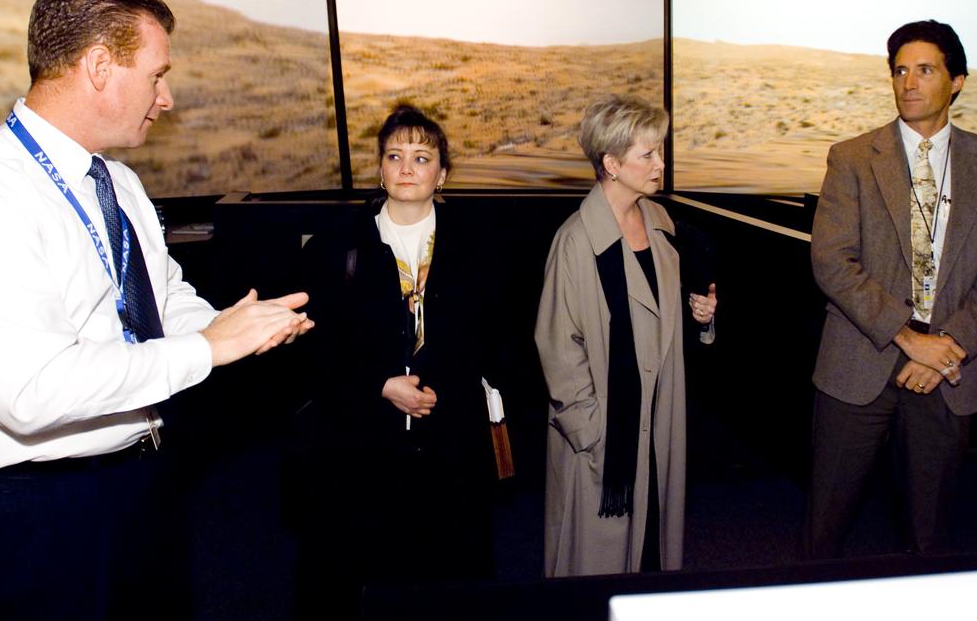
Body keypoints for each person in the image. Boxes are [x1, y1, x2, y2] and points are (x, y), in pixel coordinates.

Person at [0, 0, 313, 620]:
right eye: (156, 74)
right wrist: (207, 348)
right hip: (27, 515)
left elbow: (160, 300)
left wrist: (238, 326)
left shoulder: (118, 183)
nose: (166, 98)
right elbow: (32, 393)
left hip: (139, 482)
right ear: (97, 66)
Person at [804, 19, 977, 557]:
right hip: (859, 364)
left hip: (949, 371)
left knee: (929, 533)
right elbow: (832, 261)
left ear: (958, 81)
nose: (909, 83)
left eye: (925, 70)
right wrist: (909, 338)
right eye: (900, 70)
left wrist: (943, 347)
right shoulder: (853, 157)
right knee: (824, 528)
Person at [293, 104, 500, 618]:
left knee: (448, 578)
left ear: (442, 174)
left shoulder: (478, 246)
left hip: (450, 445)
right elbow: (314, 350)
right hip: (362, 445)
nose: (407, 168)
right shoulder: (335, 248)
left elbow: (497, 342)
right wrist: (379, 385)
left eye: (422, 157)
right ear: (380, 169)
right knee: (366, 574)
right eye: (395, 156)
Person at [534, 95, 717, 577]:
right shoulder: (575, 241)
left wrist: (703, 315)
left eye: (660, 151)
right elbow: (558, 347)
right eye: (648, 154)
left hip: (659, 421)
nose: (661, 164)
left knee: (652, 549)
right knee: (598, 565)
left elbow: (662, 321)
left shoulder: (661, 224)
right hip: (605, 437)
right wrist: (592, 434)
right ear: (612, 164)